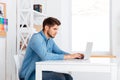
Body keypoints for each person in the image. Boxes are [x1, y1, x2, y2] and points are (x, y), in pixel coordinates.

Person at [19, 17, 84, 80]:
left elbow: (59, 51)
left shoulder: (49, 40)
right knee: (61, 78)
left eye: (57, 29)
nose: (56, 32)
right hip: (30, 74)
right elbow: (45, 56)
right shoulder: (36, 38)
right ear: (46, 28)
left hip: (41, 70)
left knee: (68, 77)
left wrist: (73, 56)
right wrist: (69, 56)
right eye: (54, 29)